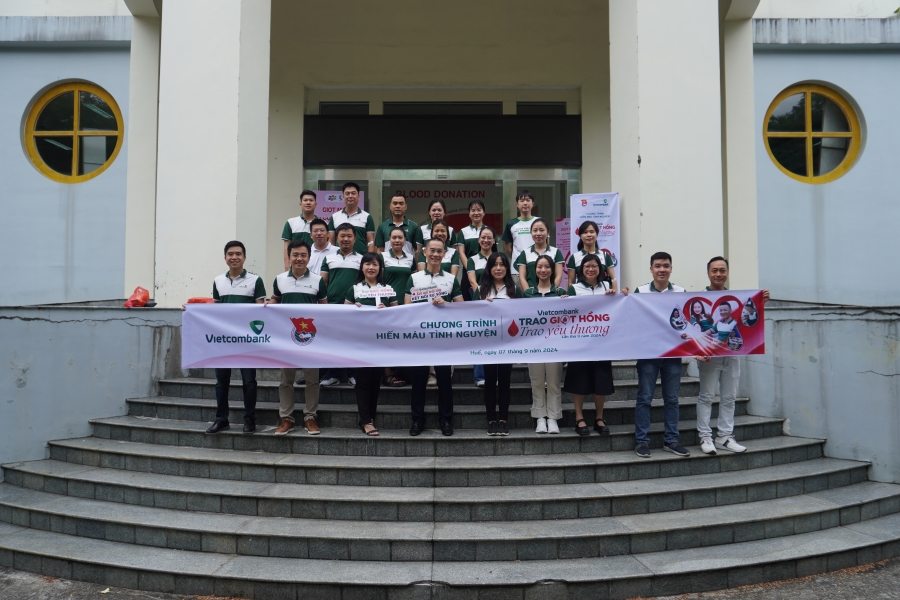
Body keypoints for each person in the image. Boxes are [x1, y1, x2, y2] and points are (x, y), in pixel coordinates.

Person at [696, 256, 770, 455]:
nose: (718, 274)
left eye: (722, 270)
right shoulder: (700, 299)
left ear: (727, 273)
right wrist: (698, 349)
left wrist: (760, 302)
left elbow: (749, 320)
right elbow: (700, 331)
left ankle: (725, 437)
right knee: (706, 396)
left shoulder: (736, 301)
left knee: (729, 397)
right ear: (708, 273)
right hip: (710, 358)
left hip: (733, 355)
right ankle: (705, 436)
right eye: (714, 270)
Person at [622, 252, 689, 458]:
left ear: (671, 269)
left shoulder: (681, 292)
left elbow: (687, 323)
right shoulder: (640, 291)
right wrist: (624, 299)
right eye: (658, 266)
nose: (662, 269)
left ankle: (671, 440)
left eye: (666, 266)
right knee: (644, 398)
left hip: (672, 354)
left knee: (672, 399)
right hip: (648, 354)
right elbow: (631, 316)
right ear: (651, 269)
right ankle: (642, 440)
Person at [206, 240, 267, 435]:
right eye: (230, 254)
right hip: (224, 340)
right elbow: (215, 311)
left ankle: (250, 419)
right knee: (221, 381)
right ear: (225, 258)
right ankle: (221, 419)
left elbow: (261, 312)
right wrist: (191, 311)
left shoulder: (255, 280)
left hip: (247, 340)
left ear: (244, 257)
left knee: (249, 381)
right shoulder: (218, 281)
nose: (234, 257)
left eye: (238, 254)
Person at [405, 238, 464, 436]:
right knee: (419, 380)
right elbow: (407, 307)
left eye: (439, 251)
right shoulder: (414, 278)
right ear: (425, 252)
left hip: (443, 337)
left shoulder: (451, 279)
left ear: (444, 254)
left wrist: (447, 303)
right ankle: (417, 420)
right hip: (420, 337)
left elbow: (461, 307)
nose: (435, 254)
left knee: (444, 380)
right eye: (432, 250)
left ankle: (446, 420)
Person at [269, 240, 327, 436]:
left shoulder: (318, 281)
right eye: (295, 255)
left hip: (311, 338)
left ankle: (310, 417)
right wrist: (268, 305)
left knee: (312, 379)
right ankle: (286, 418)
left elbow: (325, 309)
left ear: (309, 258)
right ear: (289, 257)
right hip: (286, 338)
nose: (299, 258)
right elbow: (275, 300)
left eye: (303, 255)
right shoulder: (279, 280)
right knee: (286, 380)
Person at [345, 252, 398, 436]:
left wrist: (387, 310)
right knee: (363, 381)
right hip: (360, 342)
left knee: (376, 381)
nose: (371, 268)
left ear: (380, 268)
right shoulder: (355, 289)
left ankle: (369, 417)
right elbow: (344, 314)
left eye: (375, 264)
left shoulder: (388, 289)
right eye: (367, 264)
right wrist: (355, 309)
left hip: (380, 342)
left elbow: (397, 315)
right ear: (362, 267)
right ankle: (366, 420)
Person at [564, 254, 616, 436]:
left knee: (600, 381)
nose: (591, 269)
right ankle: (579, 418)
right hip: (580, 343)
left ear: (600, 269)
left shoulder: (607, 287)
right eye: (587, 266)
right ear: (581, 269)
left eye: (594, 266)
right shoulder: (574, 288)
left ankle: (599, 418)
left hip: (602, 343)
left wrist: (617, 295)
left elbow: (616, 309)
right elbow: (568, 313)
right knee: (579, 380)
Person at [473, 252, 518, 436]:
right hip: (488, 343)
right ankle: (491, 420)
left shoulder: (514, 289)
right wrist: (482, 305)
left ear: (507, 268)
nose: (498, 268)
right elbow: (471, 315)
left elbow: (524, 313)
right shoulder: (480, 290)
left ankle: (503, 420)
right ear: (489, 268)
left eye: (502, 264)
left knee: (505, 381)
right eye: (494, 265)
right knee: (490, 382)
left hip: (508, 343)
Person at [522, 255, 567, 434]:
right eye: (540, 267)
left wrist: (567, 303)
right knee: (537, 381)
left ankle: (553, 417)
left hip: (555, 345)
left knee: (554, 382)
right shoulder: (527, 294)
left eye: (547, 266)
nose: (543, 270)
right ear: (535, 270)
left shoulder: (560, 292)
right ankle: (540, 417)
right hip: (534, 345)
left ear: (552, 269)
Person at [320, 222, 362, 386]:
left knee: (353, 340)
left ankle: (353, 374)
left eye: (349, 236)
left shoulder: (361, 259)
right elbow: (323, 283)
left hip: (354, 306)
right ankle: (333, 375)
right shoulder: (329, 258)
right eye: (342, 236)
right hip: (333, 305)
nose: (346, 239)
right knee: (333, 340)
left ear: (355, 238)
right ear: (336, 238)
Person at [380, 227, 416, 387]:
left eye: (400, 237)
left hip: (406, 303)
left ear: (405, 240)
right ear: (389, 240)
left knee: (403, 340)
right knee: (387, 339)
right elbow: (379, 280)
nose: (397, 240)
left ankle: (402, 372)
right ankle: (388, 374)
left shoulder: (411, 258)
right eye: (394, 237)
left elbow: (414, 282)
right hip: (388, 304)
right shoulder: (382, 256)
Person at [465, 226, 498, 387]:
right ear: (478, 240)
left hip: (497, 300)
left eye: (489, 237)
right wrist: (483, 296)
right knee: (480, 338)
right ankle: (480, 377)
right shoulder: (472, 259)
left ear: (494, 241)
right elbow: (472, 281)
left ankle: (495, 376)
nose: (486, 240)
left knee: (497, 338)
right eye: (483, 237)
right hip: (479, 299)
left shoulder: (498, 258)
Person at [566, 220, 617, 292]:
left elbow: (613, 279)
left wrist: (614, 296)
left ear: (597, 234)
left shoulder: (605, 255)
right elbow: (571, 282)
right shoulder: (574, 257)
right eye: (585, 232)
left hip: (602, 294)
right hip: (581, 295)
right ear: (580, 236)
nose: (589, 235)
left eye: (592, 232)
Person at [514, 217, 564, 289]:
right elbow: (522, 278)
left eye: (541, 230)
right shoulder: (524, 253)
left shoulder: (556, 252)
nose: (538, 233)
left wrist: (552, 292)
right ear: (531, 232)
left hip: (551, 294)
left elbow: (558, 276)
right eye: (535, 230)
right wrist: (528, 293)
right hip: (531, 294)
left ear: (548, 232)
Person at [327, 182, 375, 255]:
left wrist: (369, 259)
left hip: (361, 259)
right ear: (343, 197)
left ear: (358, 196)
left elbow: (370, 242)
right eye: (347, 193)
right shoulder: (334, 217)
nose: (350, 196)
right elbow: (331, 242)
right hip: (339, 258)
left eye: (353, 193)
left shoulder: (367, 217)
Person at [281, 190, 318, 270]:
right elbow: (286, 247)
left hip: (316, 266)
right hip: (296, 266)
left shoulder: (322, 224)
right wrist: (287, 267)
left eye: (311, 200)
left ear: (315, 204)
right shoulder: (291, 222)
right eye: (305, 200)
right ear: (300, 204)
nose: (308, 202)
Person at [502, 190, 538, 265]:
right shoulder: (511, 223)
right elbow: (507, 248)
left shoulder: (539, 222)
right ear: (517, 204)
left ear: (532, 204)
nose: (525, 203)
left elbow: (546, 243)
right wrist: (517, 259)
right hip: (517, 265)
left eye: (528, 200)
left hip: (536, 264)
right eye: (522, 200)